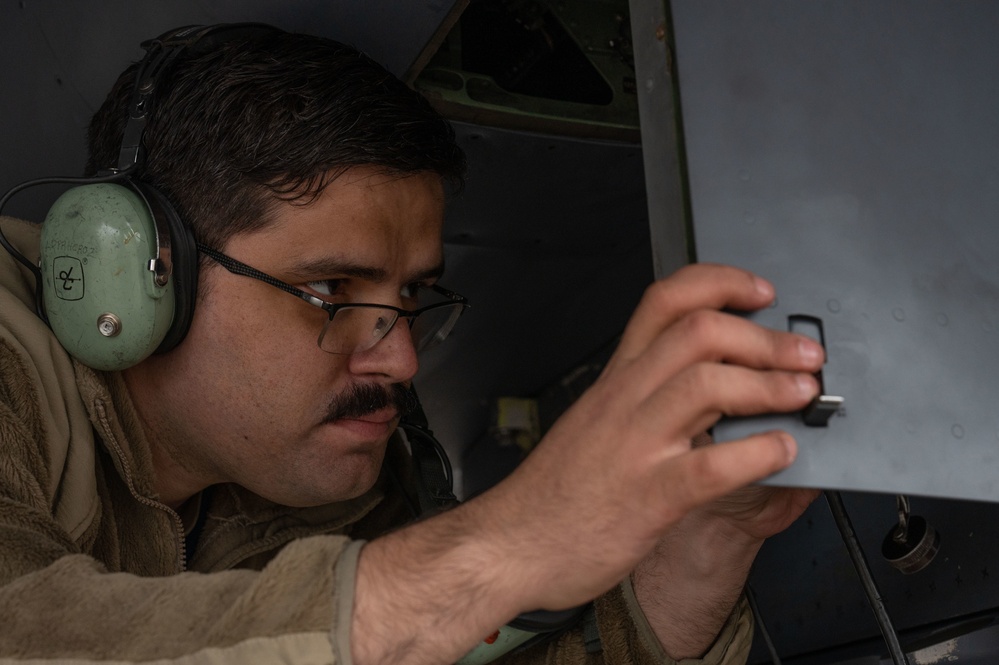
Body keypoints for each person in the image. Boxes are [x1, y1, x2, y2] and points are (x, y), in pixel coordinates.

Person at [0, 23, 824, 665]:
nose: (399, 360)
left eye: (410, 297)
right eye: (328, 291)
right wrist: (510, 540)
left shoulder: (336, 487)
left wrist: (705, 540)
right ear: (137, 273)